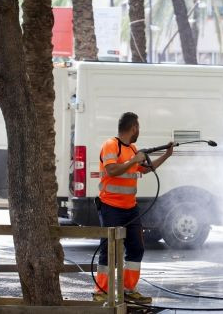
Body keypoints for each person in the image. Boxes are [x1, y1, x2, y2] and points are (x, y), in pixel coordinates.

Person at [93, 112, 173, 304]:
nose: (139, 131)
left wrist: (166, 155)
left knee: (136, 248)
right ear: (133, 128)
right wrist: (134, 161)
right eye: (139, 127)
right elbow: (111, 170)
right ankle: (100, 291)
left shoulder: (132, 149)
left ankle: (128, 290)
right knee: (109, 249)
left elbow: (145, 169)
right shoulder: (111, 145)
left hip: (130, 208)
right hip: (110, 207)